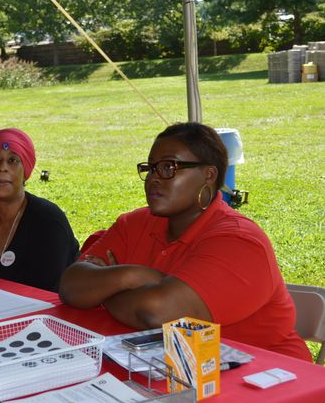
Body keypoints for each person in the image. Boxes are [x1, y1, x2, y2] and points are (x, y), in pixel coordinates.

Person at [59, 122, 311, 361]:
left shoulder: (240, 241)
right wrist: (131, 276)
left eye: (169, 167)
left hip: (266, 378)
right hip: (166, 366)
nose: (153, 178)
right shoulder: (134, 223)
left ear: (208, 175)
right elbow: (71, 286)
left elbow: (157, 312)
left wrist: (105, 290)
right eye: (150, 167)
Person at [0, 128, 79, 292]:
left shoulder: (48, 221)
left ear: (26, 172)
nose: (2, 167)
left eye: (13, 160)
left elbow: (50, 293)